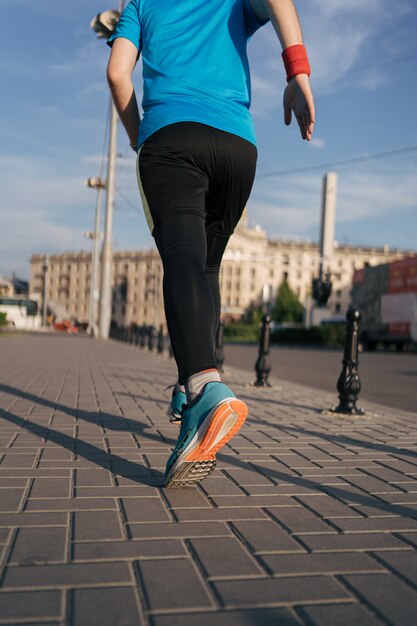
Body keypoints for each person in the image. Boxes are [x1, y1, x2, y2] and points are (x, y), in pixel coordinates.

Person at [106, 0, 315, 487]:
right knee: (205, 268)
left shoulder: (141, 3)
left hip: (171, 139)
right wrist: (298, 72)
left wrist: (141, 137)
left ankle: (204, 384)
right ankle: (189, 386)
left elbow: (118, 74)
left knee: (181, 255)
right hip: (237, 148)